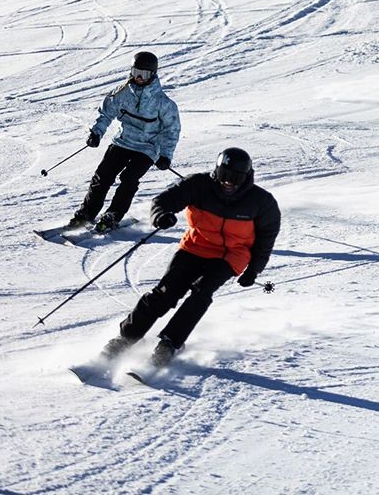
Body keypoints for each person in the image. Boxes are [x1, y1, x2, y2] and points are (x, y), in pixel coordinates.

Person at [99, 147, 281, 368]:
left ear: (246, 177)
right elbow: (162, 201)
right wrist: (161, 216)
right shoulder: (198, 185)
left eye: (235, 179)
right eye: (224, 177)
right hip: (195, 247)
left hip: (232, 255)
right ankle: (126, 338)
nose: (228, 183)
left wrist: (254, 269)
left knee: (201, 293)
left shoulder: (261, 201)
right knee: (165, 292)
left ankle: (169, 344)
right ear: (216, 173)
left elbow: (266, 237)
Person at [71, 51, 181, 233]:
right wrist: (97, 133)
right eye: (136, 72)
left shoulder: (163, 103)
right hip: (123, 142)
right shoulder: (122, 93)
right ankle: (86, 214)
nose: (139, 77)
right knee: (102, 176)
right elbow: (106, 113)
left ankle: (113, 215)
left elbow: (172, 130)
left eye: (144, 74)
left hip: (147, 149)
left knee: (129, 179)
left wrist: (165, 155)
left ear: (153, 75)